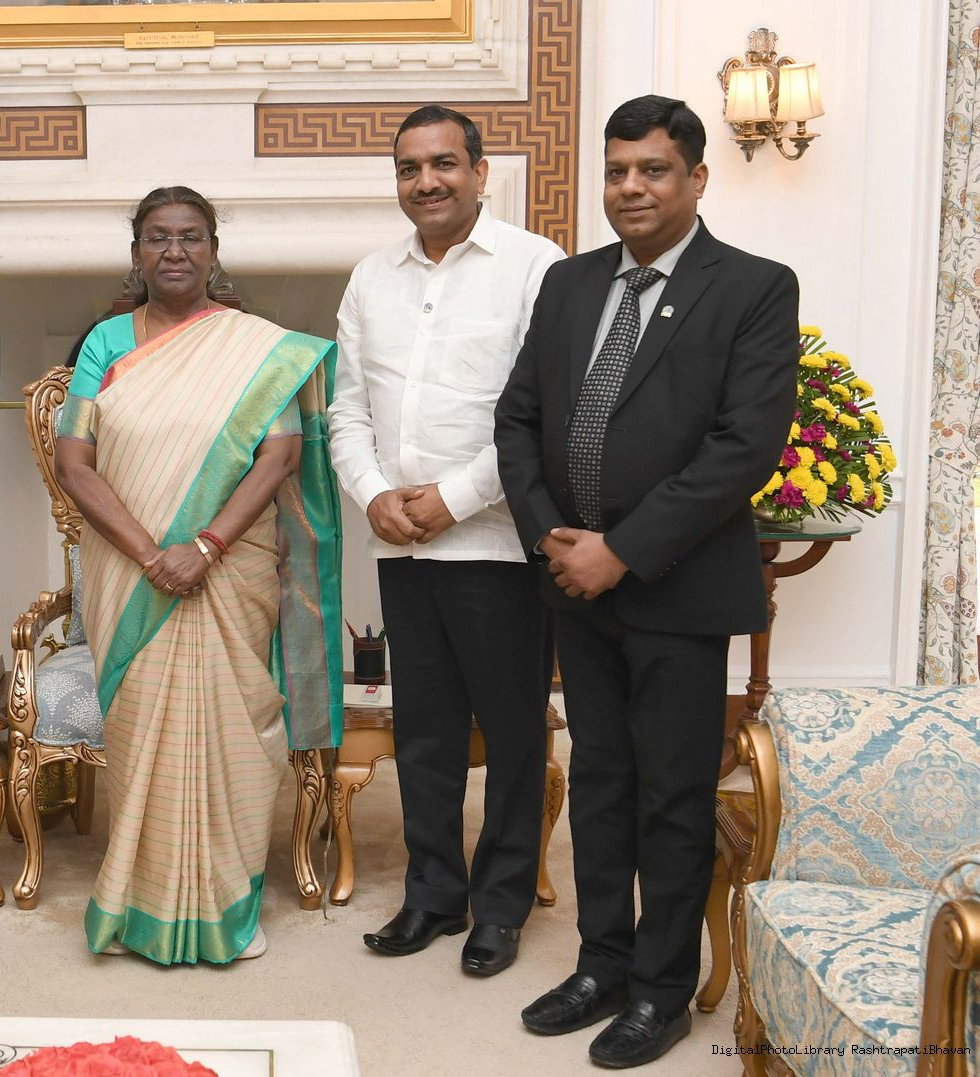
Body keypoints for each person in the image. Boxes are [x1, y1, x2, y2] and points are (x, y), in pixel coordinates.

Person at [494, 95, 798, 1068]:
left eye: (653, 170)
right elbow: (516, 419)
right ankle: (603, 965)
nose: (630, 187)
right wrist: (550, 537)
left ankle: (662, 991)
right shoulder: (569, 282)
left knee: (672, 793)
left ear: (696, 179)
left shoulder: (752, 287)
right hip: (573, 585)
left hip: (677, 587)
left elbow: (742, 447)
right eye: (617, 170)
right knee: (598, 781)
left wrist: (619, 550)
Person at [54, 186, 342, 965]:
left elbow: (280, 454)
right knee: (140, 734)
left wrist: (206, 545)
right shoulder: (106, 343)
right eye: (157, 237)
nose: (174, 250)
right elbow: (73, 462)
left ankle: (226, 907)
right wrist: (154, 554)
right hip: (130, 572)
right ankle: (138, 904)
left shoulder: (256, 346)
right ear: (136, 252)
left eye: (190, 236)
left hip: (231, 567)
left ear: (214, 250)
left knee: (237, 729)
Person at [328, 105, 563, 976]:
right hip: (401, 545)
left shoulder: (535, 266)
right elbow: (346, 409)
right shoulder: (370, 277)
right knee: (423, 732)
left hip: (497, 546)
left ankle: (500, 905)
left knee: (511, 734)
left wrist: (454, 499)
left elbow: (541, 412)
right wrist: (373, 494)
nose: (425, 181)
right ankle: (433, 893)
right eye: (408, 168)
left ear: (480, 171)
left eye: (443, 164)